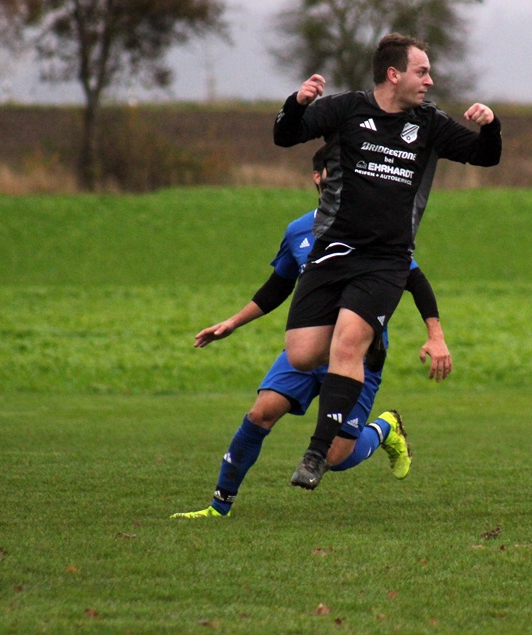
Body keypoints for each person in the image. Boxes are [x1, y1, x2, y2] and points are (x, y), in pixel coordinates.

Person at [171, 146, 451, 519]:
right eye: (334, 169)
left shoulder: (374, 229)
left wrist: (435, 335)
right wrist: (233, 322)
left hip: (357, 355)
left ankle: (385, 429)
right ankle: (218, 507)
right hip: (309, 348)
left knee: (336, 457)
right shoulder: (298, 231)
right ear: (317, 176)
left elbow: (415, 280)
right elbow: (277, 287)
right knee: (260, 413)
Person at [273, 33, 501, 489]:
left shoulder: (429, 123)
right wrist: (296, 103)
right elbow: (285, 135)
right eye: (422, 71)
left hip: (386, 260)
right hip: (333, 252)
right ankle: (366, 350)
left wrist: (491, 125)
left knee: (347, 346)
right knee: (302, 354)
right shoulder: (345, 110)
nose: (430, 80)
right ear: (394, 74)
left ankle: (315, 455)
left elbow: (485, 156)